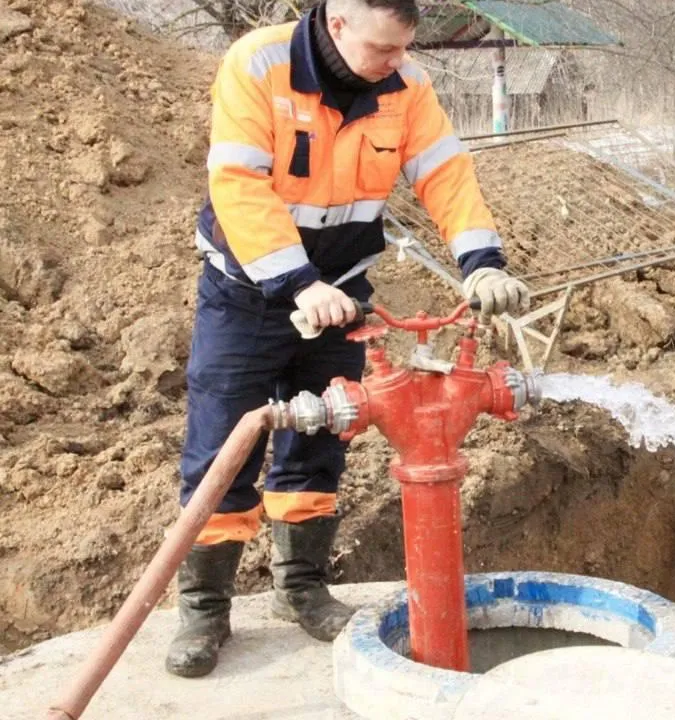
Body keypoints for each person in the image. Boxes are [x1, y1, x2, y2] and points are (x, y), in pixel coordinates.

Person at [166, 0, 529, 678]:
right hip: (249, 291)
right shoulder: (260, 65)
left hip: (343, 288)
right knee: (222, 444)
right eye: (383, 50)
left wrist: (483, 264)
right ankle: (205, 610)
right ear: (337, 24)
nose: (397, 64)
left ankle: (300, 587)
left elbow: (446, 176)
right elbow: (239, 185)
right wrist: (298, 284)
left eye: (403, 49)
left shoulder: (406, 85)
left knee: (319, 439)